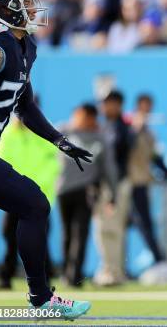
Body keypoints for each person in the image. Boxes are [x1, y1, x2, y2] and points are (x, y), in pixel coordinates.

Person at [0, 0, 92, 319]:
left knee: (33, 205)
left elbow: (25, 105)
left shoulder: (24, 46)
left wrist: (59, 140)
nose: (34, 7)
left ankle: (40, 297)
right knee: (34, 204)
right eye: (26, 1)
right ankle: (41, 297)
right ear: (6, 6)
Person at [0, 113, 60, 290]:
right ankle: (6, 277)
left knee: (39, 239)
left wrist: (35, 188)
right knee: (10, 237)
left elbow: (53, 164)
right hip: (13, 194)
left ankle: (44, 281)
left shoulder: (44, 133)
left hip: (37, 196)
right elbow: (0, 159)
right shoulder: (8, 134)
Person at [57, 103, 118, 288]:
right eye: (78, 115)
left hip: (86, 190)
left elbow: (109, 168)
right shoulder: (62, 131)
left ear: (93, 118)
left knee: (80, 232)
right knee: (67, 233)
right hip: (63, 189)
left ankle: (75, 275)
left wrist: (112, 194)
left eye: (85, 117)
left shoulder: (100, 138)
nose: (80, 120)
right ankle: (66, 272)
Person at [128, 93, 167, 264]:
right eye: (143, 107)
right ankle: (157, 260)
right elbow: (123, 148)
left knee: (144, 224)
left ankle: (159, 261)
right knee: (131, 226)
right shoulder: (127, 128)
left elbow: (157, 161)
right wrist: (135, 129)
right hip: (125, 186)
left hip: (140, 184)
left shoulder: (150, 134)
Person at [93, 89, 134, 286]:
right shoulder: (105, 126)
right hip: (104, 184)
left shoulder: (122, 128)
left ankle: (114, 272)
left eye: (107, 102)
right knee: (102, 229)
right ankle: (108, 269)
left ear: (117, 104)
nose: (104, 106)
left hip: (117, 184)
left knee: (112, 229)